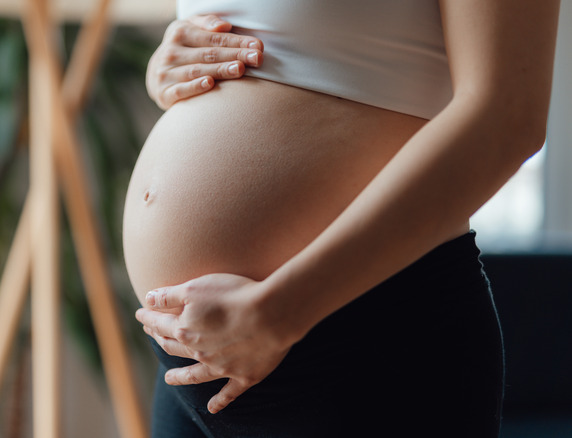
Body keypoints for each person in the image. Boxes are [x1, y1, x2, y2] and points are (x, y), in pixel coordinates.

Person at [123, 1, 561, 437]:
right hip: (194, 360)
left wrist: (281, 311)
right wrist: (166, 67)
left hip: (358, 344)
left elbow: (508, 115)